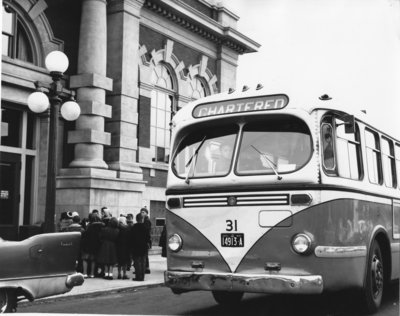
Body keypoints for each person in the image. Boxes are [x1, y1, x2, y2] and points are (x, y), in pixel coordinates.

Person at [81, 213, 104, 278]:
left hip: (87, 244)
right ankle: (92, 273)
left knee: (85, 259)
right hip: (96, 244)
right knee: (93, 260)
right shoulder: (101, 225)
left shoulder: (89, 226)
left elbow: (85, 235)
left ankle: (85, 273)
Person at [130, 212, 151, 281]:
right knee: (143, 262)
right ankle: (142, 277)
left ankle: (138, 277)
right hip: (144, 247)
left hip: (136, 247)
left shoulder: (134, 227)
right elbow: (148, 238)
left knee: (137, 262)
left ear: (136, 219)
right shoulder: (145, 227)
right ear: (142, 219)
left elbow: (131, 238)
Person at [140, 207, 152, 274]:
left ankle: (146, 268)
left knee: (145, 255)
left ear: (146, 213)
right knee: (145, 255)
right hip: (145, 240)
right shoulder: (144, 219)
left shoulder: (146, 220)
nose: (142, 213)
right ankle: (145, 268)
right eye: (141, 212)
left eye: (143, 212)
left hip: (146, 240)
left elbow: (146, 231)